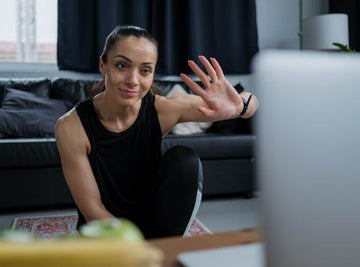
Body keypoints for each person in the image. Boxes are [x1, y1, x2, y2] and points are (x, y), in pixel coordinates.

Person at [55, 25, 258, 239]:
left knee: (185, 160)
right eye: (122, 65)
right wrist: (138, 249)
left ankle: (165, 243)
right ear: (102, 65)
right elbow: (93, 211)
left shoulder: (163, 109)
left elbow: (252, 101)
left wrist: (239, 107)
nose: (133, 80)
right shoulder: (70, 126)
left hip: (152, 226)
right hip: (102, 233)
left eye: (145, 70)